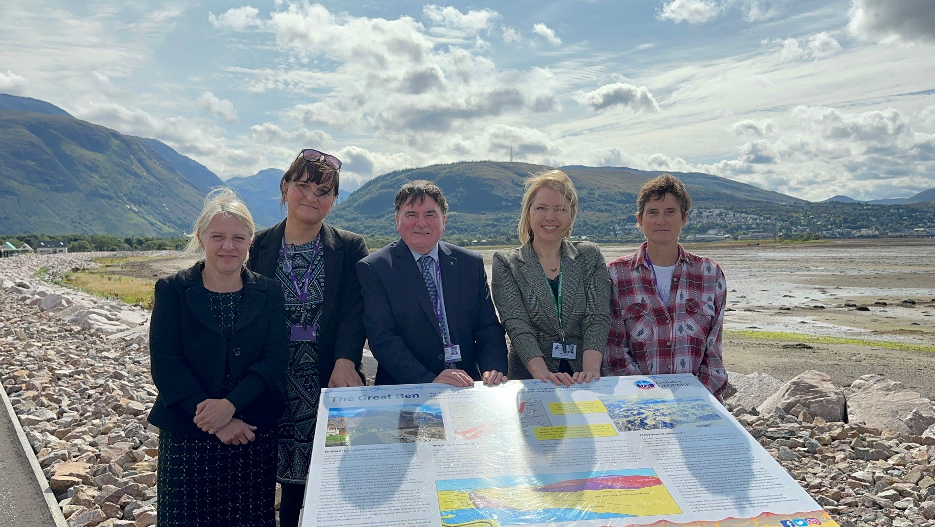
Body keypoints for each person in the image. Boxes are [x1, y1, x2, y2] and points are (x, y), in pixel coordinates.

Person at [148, 188, 288, 527]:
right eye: (218, 237)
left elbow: (274, 359)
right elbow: (166, 364)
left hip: (252, 434)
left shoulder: (269, 291)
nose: (228, 246)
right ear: (201, 238)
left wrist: (231, 407)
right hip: (188, 435)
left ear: (250, 241)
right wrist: (216, 418)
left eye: (238, 237)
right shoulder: (173, 290)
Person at [247, 148, 368, 527]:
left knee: (328, 479)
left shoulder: (349, 247)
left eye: (324, 191)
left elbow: (353, 310)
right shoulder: (256, 246)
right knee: (265, 473)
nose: (312, 197)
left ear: (333, 201)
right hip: (270, 378)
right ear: (285, 189)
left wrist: (346, 359)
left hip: (329, 376)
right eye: (303, 186)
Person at [357, 180, 508, 387]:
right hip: (408, 388)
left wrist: (493, 369)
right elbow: (383, 338)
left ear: (443, 221)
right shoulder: (375, 269)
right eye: (411, 214)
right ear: (397, 220)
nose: (421, 223)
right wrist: (429, 380)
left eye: (430, 214)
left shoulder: (469, 263)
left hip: (467, 386)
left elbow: (488, 328)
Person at [604, 174, 728, 400]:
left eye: (670, 212)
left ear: (684, 218)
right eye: (653, 212)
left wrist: (694, 400)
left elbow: (713, 355)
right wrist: (650, 399)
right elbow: (614, 354)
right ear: (640, 219)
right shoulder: (615, 275)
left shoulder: (709, 274)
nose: (661, 220)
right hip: (637, 404)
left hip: (699, 404)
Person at [492, 170, 611, 386]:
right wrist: (543, 374)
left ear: (571, 215)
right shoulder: (507, 263)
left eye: (560, 209)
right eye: (541, 208)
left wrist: (590, 373)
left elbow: (597, 317)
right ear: (528, 213)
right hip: (532, 380)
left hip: (583, 377)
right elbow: (517, 325)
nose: (550, 217)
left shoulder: (589, 256)